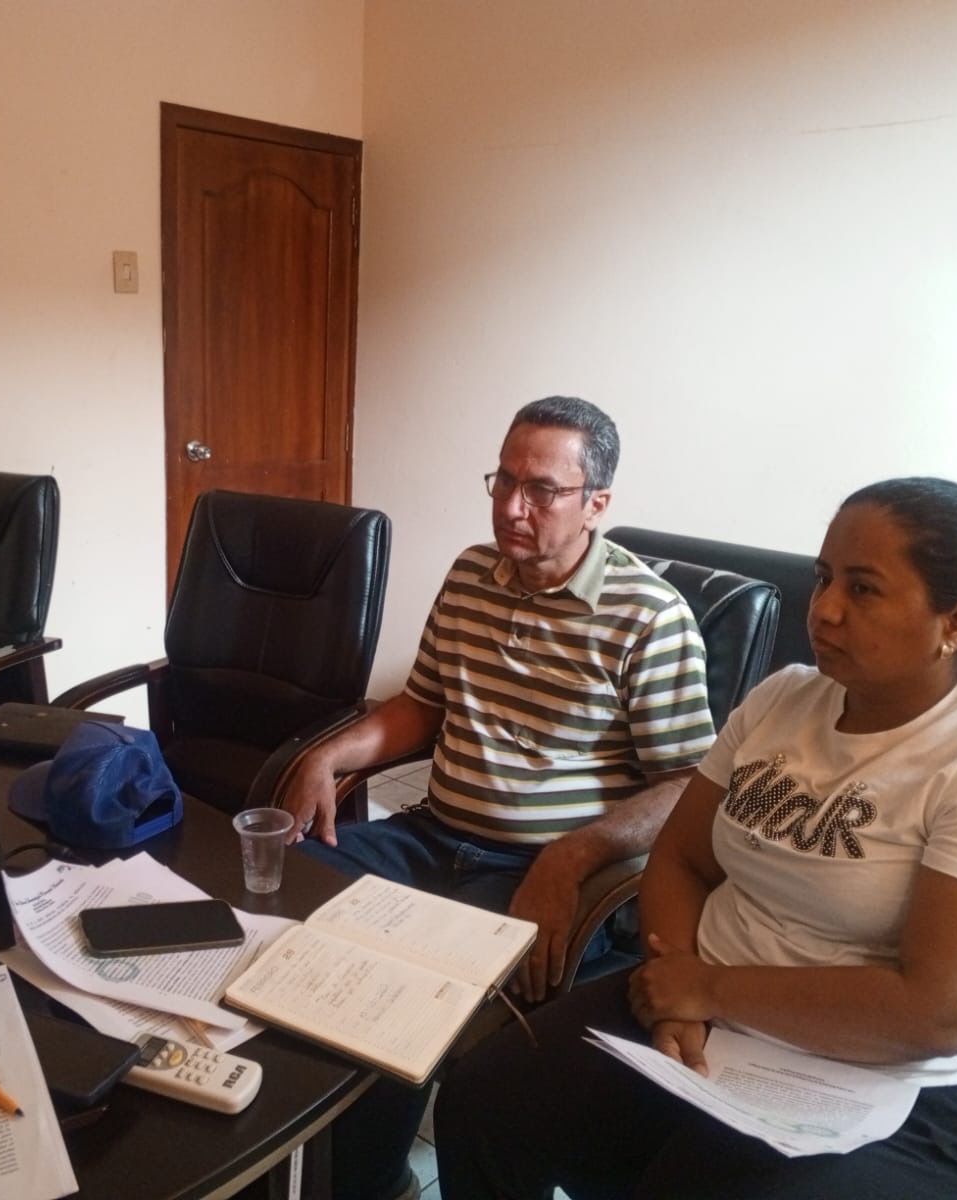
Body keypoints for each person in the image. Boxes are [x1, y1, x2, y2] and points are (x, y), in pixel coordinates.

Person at [435, 477, 957, 1200]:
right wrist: (678, 985)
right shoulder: (784, 697)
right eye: (823, 578)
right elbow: (682, 859)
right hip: (709, 1005)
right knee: (485, 1098)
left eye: (863, 589)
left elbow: (937, 1013)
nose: (825, 609)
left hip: (903, 1082)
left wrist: (707, 987)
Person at [280, 395, 716, 1200]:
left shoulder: (650, 616)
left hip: (542, 870)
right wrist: (327, 754)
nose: (513, 507)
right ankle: (322, 1165)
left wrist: (571, 855)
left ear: (596, 503)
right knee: (285, 899)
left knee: (398, 985)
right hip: (430, 837)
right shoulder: (471, 575)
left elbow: (688, 784)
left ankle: (369, 1183)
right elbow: (423, 705)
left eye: (542, 489)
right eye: (504, 481)